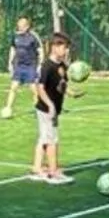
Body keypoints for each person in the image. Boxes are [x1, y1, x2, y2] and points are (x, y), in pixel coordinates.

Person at [29, 33, 74, 184]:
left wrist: (70, 93)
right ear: (54, 47)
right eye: (64, 47)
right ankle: (53, 172)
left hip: (54, 108)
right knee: (52, 140)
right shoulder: (47, 66)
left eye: (67, 48)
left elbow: (62, 84)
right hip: (46, 109)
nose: (66, 51)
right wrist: (50, 105)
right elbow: (40, 88)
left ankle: (36, 169)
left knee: (44, 138)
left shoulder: (62, 66)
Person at [1, 17, 41, 117]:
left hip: (30, 66)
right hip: (19, 66)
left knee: (34, 89)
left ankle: (38, 110)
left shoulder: (32, 37)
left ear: (27, 26)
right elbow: (12, 49)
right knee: (13, 87)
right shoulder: (15, 36)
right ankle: (8, 107)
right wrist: (10, 63)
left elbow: (40, 50)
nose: (20, 27)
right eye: (19, 25)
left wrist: (40, 64)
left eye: (22, 25)